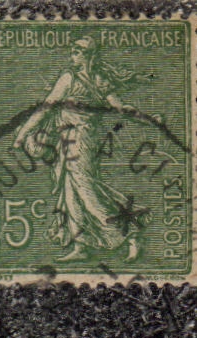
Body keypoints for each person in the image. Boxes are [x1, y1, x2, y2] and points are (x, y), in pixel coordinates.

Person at [13, 37, 150, 262]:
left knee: (86, 189)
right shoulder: (74, 77)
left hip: (83, 140)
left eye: (78, 51)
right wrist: (22, 133)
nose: (73, 54)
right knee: (70, 190)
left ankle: (131, 233)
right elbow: (47, 108)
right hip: (67, 139)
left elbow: (121, 107)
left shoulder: (87, 79)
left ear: (90, 55)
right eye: (73, 50)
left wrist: (147, 119)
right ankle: (82, 245)